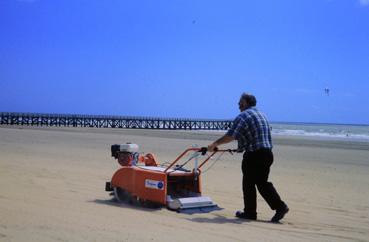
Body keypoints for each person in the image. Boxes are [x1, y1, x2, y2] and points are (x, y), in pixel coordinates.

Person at [207, 93, 289, 222]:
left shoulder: (243, 116)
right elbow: (252, 135)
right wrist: (241, 148)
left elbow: (231, 136)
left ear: (245, 102)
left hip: (254, 155)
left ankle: (253, 212)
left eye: (240, 102)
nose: (238, 104)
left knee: (248, 183)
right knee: (261, 183)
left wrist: (214, 144)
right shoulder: (262, 114)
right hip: (267, 153)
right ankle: (278, 207)